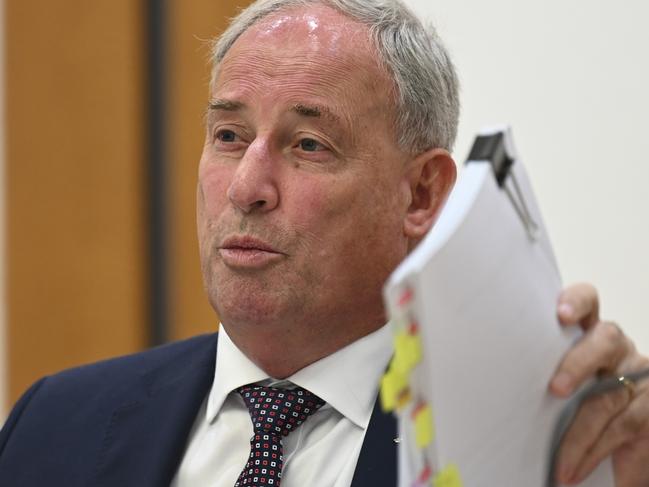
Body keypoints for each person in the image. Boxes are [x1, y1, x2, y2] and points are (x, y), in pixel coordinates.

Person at [1, 0, 648, 486]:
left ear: (420, 193)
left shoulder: (526, 445)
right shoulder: (54, 425)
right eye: (228, 136)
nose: (247, 187)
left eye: (307, 145)